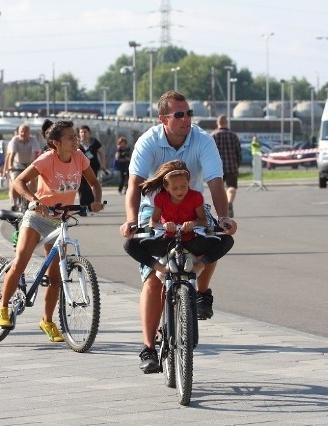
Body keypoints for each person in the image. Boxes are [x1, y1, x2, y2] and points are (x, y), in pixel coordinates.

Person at [118, 90, 237, 373]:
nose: (187, 119)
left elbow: (216, 182)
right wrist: (131, 219)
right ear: (163, 119)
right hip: (156, 211)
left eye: (189, 114)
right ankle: (148, 348)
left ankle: (201, 292)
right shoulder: (148, 142)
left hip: (192, 208)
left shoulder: (202, 141)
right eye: (180, 115)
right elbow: (135, 185)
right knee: (154, 280)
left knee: (215, 235)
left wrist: (224, 217)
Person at [0, 119, 104, 342]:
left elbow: (94, 183)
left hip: (59, 221)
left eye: (76, 136)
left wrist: (96, 201)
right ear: (56, 143)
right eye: (70, 137)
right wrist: (34, 200)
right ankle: (2, 307)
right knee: (20, 262)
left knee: (55, 278)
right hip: (37, 218)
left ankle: (47, 320)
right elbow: (19, 182)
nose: (76, 140)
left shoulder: (80, 157)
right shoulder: (47, 159)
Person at [123, 160, 233, 278]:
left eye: (183, 186)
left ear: (188, 182)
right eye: (174, 188)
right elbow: (153, 222)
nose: (180, 191)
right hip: (167, 241)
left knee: (227, 240)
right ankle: (161, 269)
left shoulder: (195, 197)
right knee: (129, 244)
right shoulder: (161, 198)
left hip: (190, 241)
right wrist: (164, 225)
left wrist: (193, 223)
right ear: (166, 186)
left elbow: (203, 221)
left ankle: (199, 266)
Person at [4, 124, 41, 211]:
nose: (23, 133)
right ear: (18, 132)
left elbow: (36, 154)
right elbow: (12, 154)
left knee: (33, 180)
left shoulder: (33, 140)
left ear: (29, 133)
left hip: (29, 164)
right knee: (14, 182)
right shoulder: (15, 140)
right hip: (17, 165)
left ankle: (30, 200)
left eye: (25, 132)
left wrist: (37, 166)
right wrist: (10, 166)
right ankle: (14, 203)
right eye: (21, 131)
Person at [211, 114, 241, 218]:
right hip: (231, 166)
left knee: (219, 189)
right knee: (231, 187)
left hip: (217, 168)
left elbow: (208, 153)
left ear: (217, 122)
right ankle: (229, 203)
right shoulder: (233, 135)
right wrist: (237, 164)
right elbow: (238, 152)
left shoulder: (213, 136)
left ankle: (221, 210)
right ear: (226, 122)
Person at [77, 125, 107, 213]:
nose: (83, 134)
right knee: (82, 187)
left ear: (89, 133)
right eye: (81, 132)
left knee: (91, 185)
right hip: (80, 168)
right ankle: (83, 207)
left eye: (85, 132)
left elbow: (101, 152)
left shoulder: (94, 142)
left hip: (93, 166)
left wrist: (103, 163)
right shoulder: (76, 143)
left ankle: (91, 205)